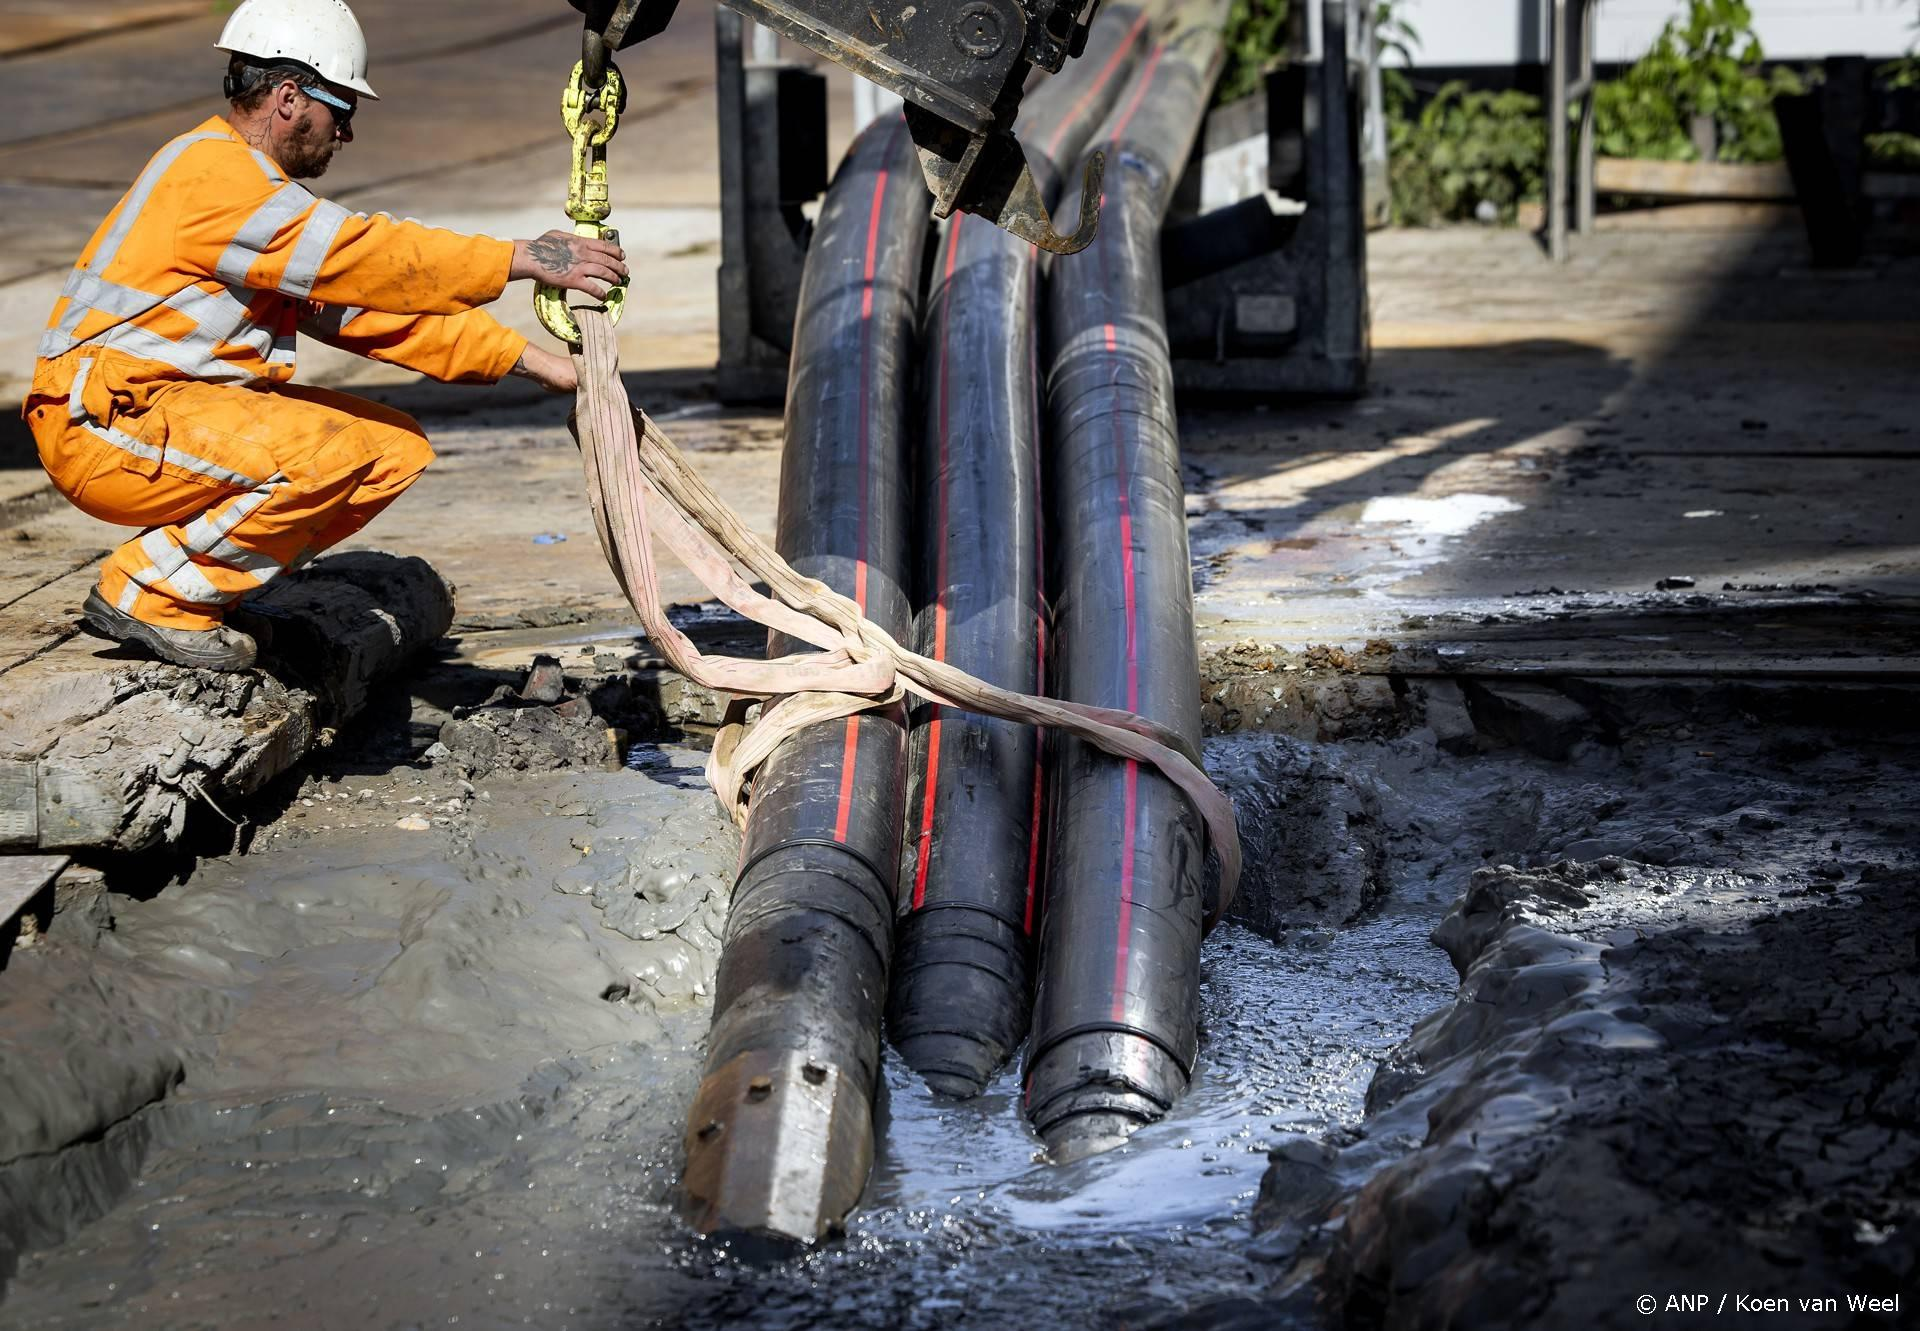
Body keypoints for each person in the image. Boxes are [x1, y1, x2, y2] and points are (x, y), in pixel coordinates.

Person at [21, 0, 625, 671]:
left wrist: (542, 365)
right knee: (325, 457)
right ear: (289, 98)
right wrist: (518, 257)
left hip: (156, 412)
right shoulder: (217, 180)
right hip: (108, 421)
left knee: (389, 452)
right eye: (341, 111)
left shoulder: (253, 199)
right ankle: (154, 591)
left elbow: (369, 311)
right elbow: (368, 257)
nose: (345, 134)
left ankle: (208, 588)